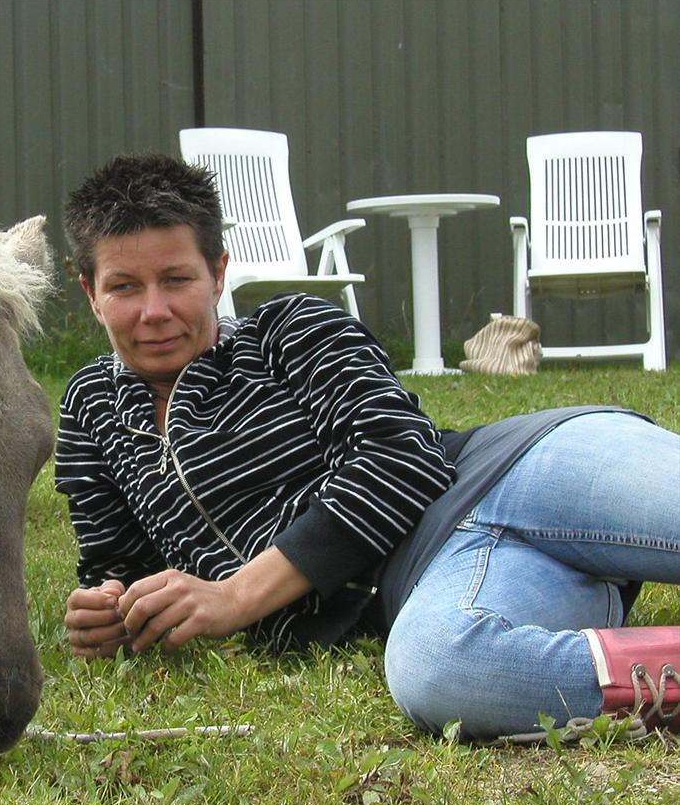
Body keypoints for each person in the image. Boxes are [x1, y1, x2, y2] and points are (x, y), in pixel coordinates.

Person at [54, 152, 679, 740]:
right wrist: (112, 610)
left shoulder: (290, 329)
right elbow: (120, 564)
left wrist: (239, 594)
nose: (154, 310)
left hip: (521, 470)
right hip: (439, 581)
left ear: (217, 274)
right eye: (125, 287)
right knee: (438, 674)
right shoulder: (89, 407)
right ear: (90, 293)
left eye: (176, 279)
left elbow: (399, 457)